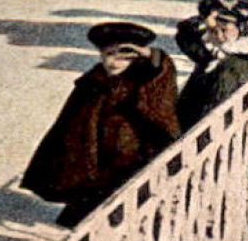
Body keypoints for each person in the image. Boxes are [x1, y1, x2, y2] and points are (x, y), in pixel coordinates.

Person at [21, 22, 180, 228]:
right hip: (95, 160)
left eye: (124, 56)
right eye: (107, 54)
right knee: (88, 216)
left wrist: (148, 52)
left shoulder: (144, 82)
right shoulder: (93, 82)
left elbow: (162, 76)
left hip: (130, 159)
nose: (113, 62)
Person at [175, 0, 248, 130]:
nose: (219, 36)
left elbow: (213, 112)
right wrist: (207, 18)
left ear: (240, 29)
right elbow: (188, 38)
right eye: (214, 30)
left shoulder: (237, 64)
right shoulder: (221, 51)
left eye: (224, 30)